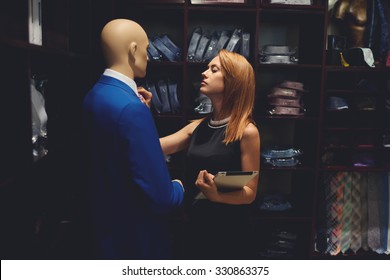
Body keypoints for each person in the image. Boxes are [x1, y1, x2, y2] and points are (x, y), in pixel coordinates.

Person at [82, 19, 184, 259]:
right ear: (133, 50)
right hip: (136, 237)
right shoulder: (130, 108)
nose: (148, 56)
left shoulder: (94, 95)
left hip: (106, 225)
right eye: (146, 49)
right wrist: (179, 186)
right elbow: (162, 198)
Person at [160, 49, 260, 259]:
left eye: (214, 70)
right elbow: (155, 147)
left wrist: (217, 194)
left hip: (229, 232)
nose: (204, 73)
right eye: (207, 68)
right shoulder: (198, 126)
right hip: (195, 225)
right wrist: (142, 111)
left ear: (233, 82)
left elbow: (250, 192)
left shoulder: (247, 132)